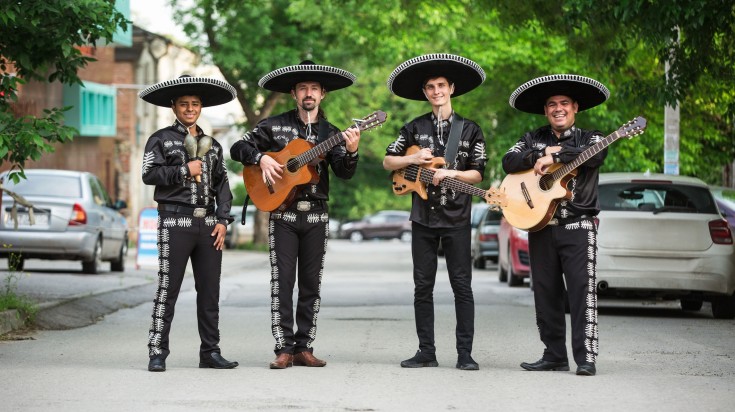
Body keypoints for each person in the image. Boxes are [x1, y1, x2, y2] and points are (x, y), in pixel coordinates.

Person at [230, 60, 361, 369]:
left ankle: (304, 347)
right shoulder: (273, 125)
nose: (308, 93)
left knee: (311, 284)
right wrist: (261, 158)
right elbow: (238, 148)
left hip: (316, 215)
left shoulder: (332, 132)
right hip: (283, 216)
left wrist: (352, 151)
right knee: (282, 282)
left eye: (314, 88)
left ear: (323, 94)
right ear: (294, 93)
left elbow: (343, 172)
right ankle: (283, 348)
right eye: (303, 88)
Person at [383, 53, 488, 371]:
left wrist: (452, 174)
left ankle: (465, 353)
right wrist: (411, 160)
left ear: (451, 88)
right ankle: (426, 351)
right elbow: (389, 162)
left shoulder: (470, 130)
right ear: (425, 92)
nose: (436, 91)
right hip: (423, 218)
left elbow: (478, 175)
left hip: (457, 217)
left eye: (441, 85)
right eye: (430, 87)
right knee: (422, 286)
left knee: (461, 285)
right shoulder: (413, 128)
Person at [502, 74, 610, 376]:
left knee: (581, 292)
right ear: (545, 110)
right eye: (552, 104)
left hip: (579, 225)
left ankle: (586, 358)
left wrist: (558, 155)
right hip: (541, 227)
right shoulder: (532, 137)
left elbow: (598, 155)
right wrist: (538, 154)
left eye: (564, 103)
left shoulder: (590, 138)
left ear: (575, 107)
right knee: (545, 292)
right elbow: (508, 161)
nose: (558, 108)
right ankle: (553, 355)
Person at [139, 75, 239, 372]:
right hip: (174, 221)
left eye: (195, 104)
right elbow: (149, 175)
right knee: (168, 288)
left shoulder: (215, 145)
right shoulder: (160, 139)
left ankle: (210, 352)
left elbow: (223, 185)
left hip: (208, 225)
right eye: (184, 104)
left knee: (210, 292)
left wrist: (223, 220)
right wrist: (185, 169)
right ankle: (157, 352)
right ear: (174, 107)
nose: (190, 108)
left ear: (201, 107)